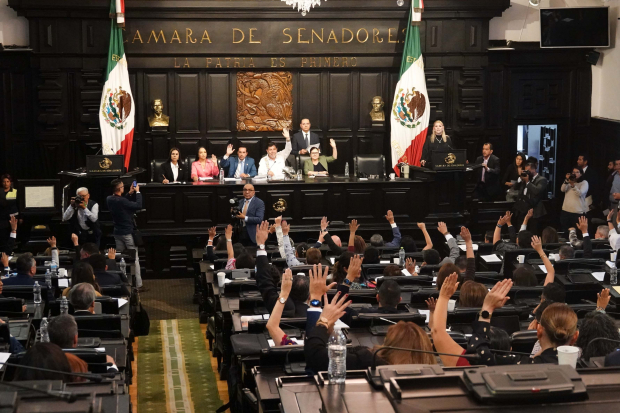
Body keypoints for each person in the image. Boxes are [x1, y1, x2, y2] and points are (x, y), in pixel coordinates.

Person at [304, 290, 435, 374]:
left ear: (390, 345)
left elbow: (315, 356)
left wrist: (323, 322)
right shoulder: (435, 375)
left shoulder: (369, 362)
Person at [467, 279, 578, 365]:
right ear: (575, 336)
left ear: (538, 331)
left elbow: (478, 355)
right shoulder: (589, 366)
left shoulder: (522, 364)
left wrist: (487, 308)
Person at [255, 221, 308, 317]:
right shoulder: (317, 314)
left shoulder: (280, 309)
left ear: (287, 288)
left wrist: (261, 245)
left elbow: (265, 282)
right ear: (309, 295)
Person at [106, 179, 144, 291]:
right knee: (134, 258)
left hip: (117, 232)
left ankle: (122, 281)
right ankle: (138, 284)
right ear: (120, 189)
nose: (124, 187)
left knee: (120, 258)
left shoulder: (109, 199)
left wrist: (129, 193)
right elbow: (138, 205)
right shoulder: (122, 201)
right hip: (127, 233)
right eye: (123, 187)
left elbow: (121, 201)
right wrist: (137, 192)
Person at [48, 314, 118, 371]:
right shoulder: (80, 363)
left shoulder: (43, 362)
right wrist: (111, 365)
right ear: (75, 339)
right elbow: (113, 375)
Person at [513, 157, 548, 234]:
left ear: (533, 170)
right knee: (521, 231)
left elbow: (536, 191)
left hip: (534, 211)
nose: (527, 173)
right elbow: (515, 187)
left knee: (533, 233)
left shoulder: (541, 180)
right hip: (522, 210)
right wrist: (520, 178)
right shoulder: (525, 178)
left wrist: (527, 182)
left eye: (528, 171)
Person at [560, 166, 588, 234]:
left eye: (577, 172)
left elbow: (580, 193)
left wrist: (573, 185)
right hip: (566, 211)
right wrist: (566, 180)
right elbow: (562, 189)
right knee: (566, 232)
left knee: (577, 233)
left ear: (581, 174)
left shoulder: (584, 183)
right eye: (573, 172)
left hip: (577, 212)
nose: (575, 174)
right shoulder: (568, 182)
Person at [0, 174, 18, 249]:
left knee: (12, 233)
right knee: (3, 234)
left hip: (12, 217)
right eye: (4, 182)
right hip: (2, 217)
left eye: (7, 181)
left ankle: (11, 249)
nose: (6, 183)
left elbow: (19, 204)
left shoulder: (15, 191)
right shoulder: (0, 191)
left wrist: (20, 217)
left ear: (10, 182)